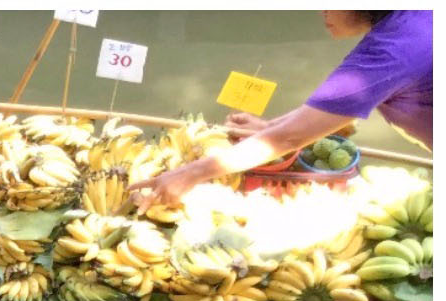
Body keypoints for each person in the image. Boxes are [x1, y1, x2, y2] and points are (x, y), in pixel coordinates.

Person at [135, 10, 431, 206]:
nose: (321, 11)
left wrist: (189, 174)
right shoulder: (411, 23)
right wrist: (269, 128)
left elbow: (289, 139)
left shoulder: (394, 50)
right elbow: (333, 110)